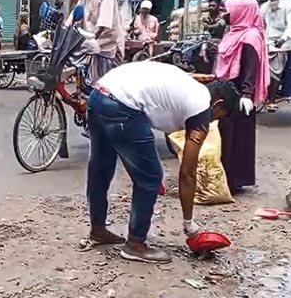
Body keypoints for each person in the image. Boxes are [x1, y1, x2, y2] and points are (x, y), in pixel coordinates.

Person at [81, 61, 240, 264]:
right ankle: (135, 244)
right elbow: (188, 172)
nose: (214, 121)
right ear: (217, 104)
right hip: (122, 105)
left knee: (101, 168)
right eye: (220, 116)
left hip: (99, 95)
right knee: (151, 177)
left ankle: (98, 230)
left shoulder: (191, 88)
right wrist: (189, 224)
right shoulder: (201, 108)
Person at [215, 0, 269, 191]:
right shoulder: (232, 32)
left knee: (237, 138)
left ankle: (234, 181)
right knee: (224, 135)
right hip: (226, 92)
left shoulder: (251, 36)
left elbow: (251, 68)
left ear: (240, 11)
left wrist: (247, 94)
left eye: (227, 10)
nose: (224, 14)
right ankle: (223, 178)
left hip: (239, 95)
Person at [69, 0, 124, 83]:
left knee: (102, 87)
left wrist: (93, 38)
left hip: (106, 47)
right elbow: (72, 18)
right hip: (89, 47)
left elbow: (104, 21)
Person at [261, 0, 291, 112]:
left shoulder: (289, 5)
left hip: (283, 43)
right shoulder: (264, 7)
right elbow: (260, 24)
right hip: (267, 42)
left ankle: (271, 100)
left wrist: (283, 39)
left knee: (274, 70)